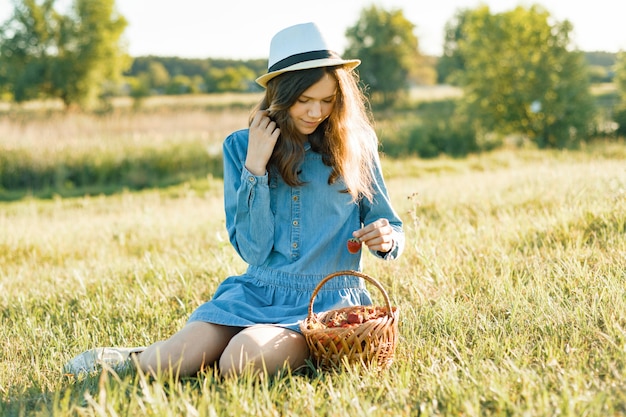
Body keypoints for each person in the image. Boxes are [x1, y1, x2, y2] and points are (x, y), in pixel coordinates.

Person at [63, 21, 405, 379]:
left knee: (240, 362)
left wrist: (387, 239)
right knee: (164, 364)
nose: (315, 112)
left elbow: (391, 226)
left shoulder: (356, 145)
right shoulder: (240, 146)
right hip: (257, 292)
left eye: (326, 100)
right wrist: (255, 166)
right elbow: (253, 251)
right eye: (303, 100)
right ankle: (137, 356)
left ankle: (237, 350)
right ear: (280, 95)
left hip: (326, 304)